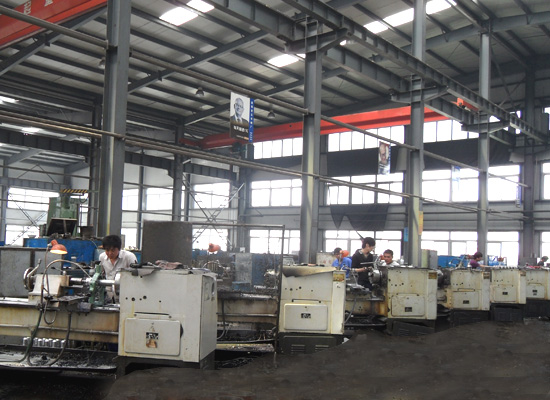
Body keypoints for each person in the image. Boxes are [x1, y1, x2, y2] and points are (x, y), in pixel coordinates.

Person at [99, 234, 137, 301]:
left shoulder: (129, 257)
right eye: (107, 250)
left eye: (113, 250)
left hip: (126, 294)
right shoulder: (102, 257)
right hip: (109, 294)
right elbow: (100, 274)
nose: (110, 253)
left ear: (119, 248)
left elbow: (136, 275)